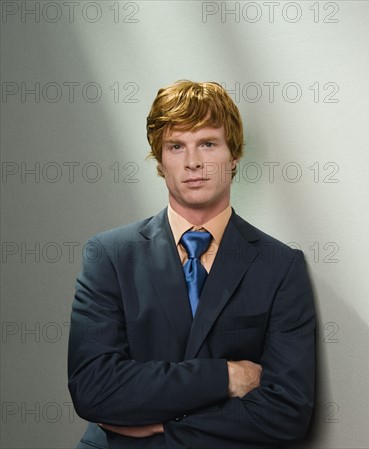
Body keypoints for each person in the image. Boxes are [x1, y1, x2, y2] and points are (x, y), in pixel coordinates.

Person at [67, 80, 316, 448]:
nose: (193, 162)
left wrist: (167, 428)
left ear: (234, 156)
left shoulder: (279, 265)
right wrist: (226, 377)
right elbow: (93, 388)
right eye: (176, 146)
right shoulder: (110, 256)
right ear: (160, 160)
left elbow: (286, 411)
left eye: (208, 144)